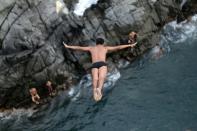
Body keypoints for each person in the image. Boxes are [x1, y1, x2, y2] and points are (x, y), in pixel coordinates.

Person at [64, 38, 137, 101]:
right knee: (101, 78)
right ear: (102, 43)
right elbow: (118, 47)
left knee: (95, 78)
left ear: (96, 43)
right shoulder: (105, 48)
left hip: (94, 65)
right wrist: (129, 45)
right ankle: (99, 89)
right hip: (102, 64)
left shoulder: (91, 48)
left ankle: (95, 89)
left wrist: (68, 46)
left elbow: (79, 48)